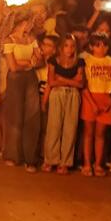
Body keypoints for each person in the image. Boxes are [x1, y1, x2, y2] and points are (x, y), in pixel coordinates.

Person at [3, 13, 43, 171]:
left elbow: (40, 59)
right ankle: (13, 155)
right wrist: (30, 63)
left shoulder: (32, 39)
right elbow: (13, 66)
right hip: (15, 79)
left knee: (32, 116)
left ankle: (30, 158)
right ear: (21, 23)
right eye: (28, 22)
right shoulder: (9, 40)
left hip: (30, 78)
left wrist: (27, 63)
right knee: (15, 116)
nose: (30, 25)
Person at [41, 34, 84, 174]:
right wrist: (72, 81)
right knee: (54, 127)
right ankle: (50, 160)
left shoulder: (79, 61)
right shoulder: (54, 61)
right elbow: (51, 82)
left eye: (72, 46)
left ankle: (65, 162)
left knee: (70, 129)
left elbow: (81, 83)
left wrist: (62, 79)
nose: (69, 49)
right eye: (66, 45)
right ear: (61, 47)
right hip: (57, 93)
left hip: (73, 96)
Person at [81, 33, 111, 177]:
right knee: (88, 133)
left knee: (100, 134)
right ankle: (86, 164)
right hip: (90, 98)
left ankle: (98, 164)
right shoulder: (86, 61)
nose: (101, 48)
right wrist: (92, 104)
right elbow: (83, 85)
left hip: (107, 99)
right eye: (97, 45)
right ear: (91, 47)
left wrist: (110, 102)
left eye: (104, 45)